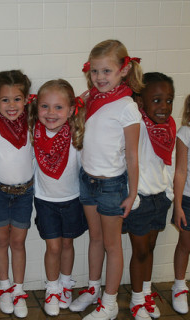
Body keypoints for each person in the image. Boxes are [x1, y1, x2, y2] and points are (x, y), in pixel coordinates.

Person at [70, 39, 143, 320]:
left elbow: (133, 156)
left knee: (112, 245)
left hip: (112, 186)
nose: (99, 78)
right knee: (95, 239)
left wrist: (132, 193)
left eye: (106, 72)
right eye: (95, 71)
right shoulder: (89, 98)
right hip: (87, 180)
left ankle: (110, 303)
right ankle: (93, 289)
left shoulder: (127, 106)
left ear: (123, 71)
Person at [28, 79, 88, 317]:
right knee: (52, 247)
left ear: (71, 110)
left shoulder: (77, 134)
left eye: (58, 107)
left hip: (73, 199)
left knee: (67, 244)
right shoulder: (33, 132)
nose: (51, 113)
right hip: (45, 201)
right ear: (37, 108)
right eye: (45, 106)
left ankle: (65, 283)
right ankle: (52, 289)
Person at [0, 70, 33, 318]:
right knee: (1, 241)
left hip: (25, 192)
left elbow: (64, 108)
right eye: (5, 100)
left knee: (18, 242)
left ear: (27, 99)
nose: (11, 106)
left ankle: (19, 289)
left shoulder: (35, 121)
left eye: (17, 99)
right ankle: (4, 287)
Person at [123, 72, 176, 320]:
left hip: (160, 197)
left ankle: (145, 291)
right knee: (140, 251)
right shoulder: (137, 125)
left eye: (168, 100)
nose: (164, 106)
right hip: (140, 199)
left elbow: (167, 162)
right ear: (140, 101)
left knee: (151, 248)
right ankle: (136, 300)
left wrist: (170, 191)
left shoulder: (168, 127)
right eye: (156, 100)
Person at [171, 94, 190, 314]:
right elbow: (181, 171)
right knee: (185, 244)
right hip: (188, 198)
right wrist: (178, 205)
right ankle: (178, 286)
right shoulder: (185, 133)